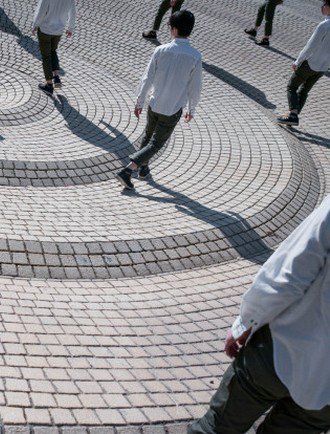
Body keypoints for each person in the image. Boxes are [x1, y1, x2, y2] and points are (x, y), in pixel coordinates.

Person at [189, 194, 330, 433]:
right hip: (324, 395)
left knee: (217, 429)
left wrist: (247, 322)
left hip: (279, 351)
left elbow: (289, 275)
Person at [116, 10, 202, 190]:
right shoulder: (195, 56)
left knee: (148, 137)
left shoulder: (160, 50)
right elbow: (195, 87)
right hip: (173, 108)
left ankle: (143, 169)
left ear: (174, 29)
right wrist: (191, 109)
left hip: (154, 104)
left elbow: (147, 78)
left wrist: (140, 101)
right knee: (156, 143)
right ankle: (128, 170)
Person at [277, 0, 330, 127]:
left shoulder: (324, 25)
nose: (322, 7)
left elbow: (310, 46)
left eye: (324, 4)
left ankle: (293, 115)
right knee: (304, 91)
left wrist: (298, 61)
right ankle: (293, 115)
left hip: (311, 63)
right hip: (323, 67)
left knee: (292, 86)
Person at [31, 0, 76, 96]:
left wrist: (35, 24)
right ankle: (56, 77)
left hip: (45, 30)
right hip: (58, 31)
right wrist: (70, 28)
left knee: (46, 57)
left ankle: (49, 85)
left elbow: (41, 11)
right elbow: (73, 12)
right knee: (53, 51)